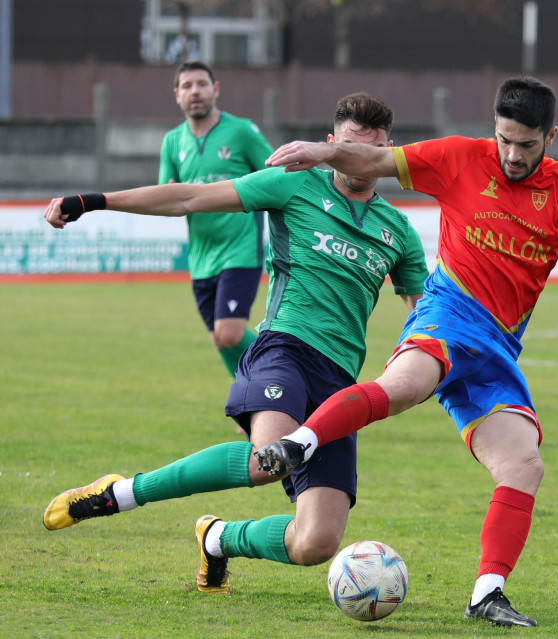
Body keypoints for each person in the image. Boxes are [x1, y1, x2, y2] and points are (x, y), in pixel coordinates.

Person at [253, 76, 558, 627]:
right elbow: (372, 161)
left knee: (523, 464)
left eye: (527, 144)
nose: (513, 155)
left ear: (551, 137)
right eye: (504, 140)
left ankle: (486, 594)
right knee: (403, 389)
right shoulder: (459, 158)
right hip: (447, 315)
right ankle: (299, 444)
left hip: (498, 348)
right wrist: (323, 150)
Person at [42, 93, 428, 594]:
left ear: (386, 152)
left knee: (315, 543)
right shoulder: (293, 187)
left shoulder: (398, 231)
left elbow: (424, 318)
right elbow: (189, 198)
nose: (357, 161)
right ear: (328, 146)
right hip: (284, 348)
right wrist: (97, 201)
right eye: (347, 148)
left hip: (340, 386)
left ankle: (219, 538)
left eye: (370, 151)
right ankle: (120, 492)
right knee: (266, 458)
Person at [162, 60, 274, 378]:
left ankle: (288, 376)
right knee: (219, 339)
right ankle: (254, 406)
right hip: (200, 258)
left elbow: (275, 175)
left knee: (230, 334)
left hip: (240, 248)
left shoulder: (241, 131)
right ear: (177, 95)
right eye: (187, 86)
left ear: (216, 89)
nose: (194, 91)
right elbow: (167, 194)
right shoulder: (172, 141)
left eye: (201, 84)